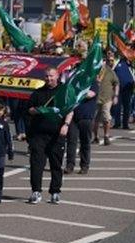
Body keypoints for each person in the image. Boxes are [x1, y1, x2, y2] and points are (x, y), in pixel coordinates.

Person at [26, 67, 70, 204]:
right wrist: (38, 110)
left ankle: (55, 192)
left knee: (56, 164)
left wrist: (66, 125)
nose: (49, 79)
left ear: (57, 76)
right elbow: (29, 109)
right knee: (36, 163)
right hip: (38, 134)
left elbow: (70, 109)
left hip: (57, 134)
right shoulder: (38, 93)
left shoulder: (64, 91)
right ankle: (36, 191)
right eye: (46, 76)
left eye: (51, 76)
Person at [67, 82, 97, 175]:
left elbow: (90, 94)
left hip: (86, 117)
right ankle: (70, 165)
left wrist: (76, 92)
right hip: (73, 116)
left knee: (85, 143)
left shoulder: (93, 83)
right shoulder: (74, 82)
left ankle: (84, 166)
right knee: (71, 142)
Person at [96, 52, 119, 145]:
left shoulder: (111, 72)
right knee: (95, 119)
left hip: (107, 98)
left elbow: (116, 83)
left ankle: (106, 136)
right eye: (108, 60)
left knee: (106, 118)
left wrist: (116, 96)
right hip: (95, 98)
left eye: (112, 61)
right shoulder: (95, 71)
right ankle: (95, 137)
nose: (110, 62)